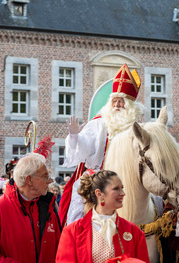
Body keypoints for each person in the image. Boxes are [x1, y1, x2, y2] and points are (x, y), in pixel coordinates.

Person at [60, 63, 144, 226]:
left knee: (155, 200)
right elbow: (84, 148)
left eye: (122, 102)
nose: (118, 105)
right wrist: (74, 136)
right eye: (115, 101)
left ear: (130, 106)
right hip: (97, 176)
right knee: (79, 196)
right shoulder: (98, 124)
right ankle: (75, 235)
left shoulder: (138, 129)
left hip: (128, 179)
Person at [0, 153, 61, 262]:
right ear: (29, 180)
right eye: (45, 176)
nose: (49, 181)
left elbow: (59, 250)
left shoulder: (48, 208)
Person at [56, 170, 150, 263]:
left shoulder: (135, 232)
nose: (122, 193)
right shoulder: (72, 232)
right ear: (99, 194)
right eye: (116, 189)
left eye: (122, 188)